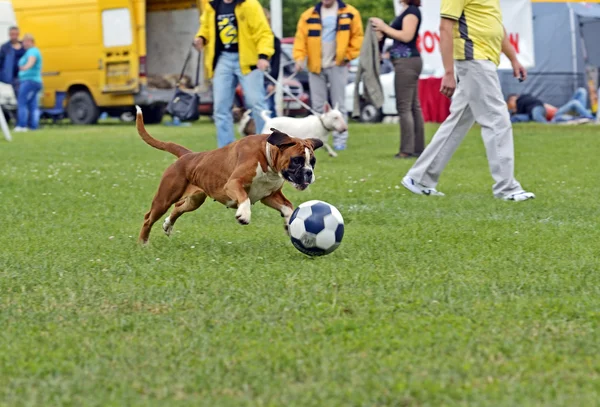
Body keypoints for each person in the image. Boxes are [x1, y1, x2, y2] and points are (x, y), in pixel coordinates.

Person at [401, 0, 535, 202]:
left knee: (458, 122)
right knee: (497, 120)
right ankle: (507, 189)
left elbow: (497, 27)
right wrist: (448, 72)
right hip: (474, 59)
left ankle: (419, 179)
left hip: (484, 60)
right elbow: (445, 28)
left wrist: (514, 58)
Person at [194, 0, 274, 148]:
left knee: (257, 104)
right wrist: (201, 38)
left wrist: (263, 55)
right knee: (220, 108)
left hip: (248, 59)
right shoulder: (212, 6)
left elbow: (263, 32)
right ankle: (226, 150)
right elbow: (205, 28)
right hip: (222, 59)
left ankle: (266, 146)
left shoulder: (249, 4)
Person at [293, 0, 364, 151]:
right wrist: (299, 59)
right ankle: (318, 141)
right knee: (318, 106)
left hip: (338, 64)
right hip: (315, 65)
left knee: (339, 104)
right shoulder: (308, 15)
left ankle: (340, 141)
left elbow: (357, 37)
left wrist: (347, 56)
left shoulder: (350, 13)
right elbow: (300, 40)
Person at [371, 0, 425, 159]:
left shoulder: (412, 12)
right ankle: (418, 148)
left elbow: (407, 36)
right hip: (406, 62)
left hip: (407, 62)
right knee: (413, 106)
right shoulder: (406, 10)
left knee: (404, 106)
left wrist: (384, 27)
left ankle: (406, 150)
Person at [507, 88, 595, 124]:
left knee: (581, 90)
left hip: (558, 110)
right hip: (556, 115)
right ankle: (592, 119)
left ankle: (584, 115)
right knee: (575, 103)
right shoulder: (523, 111)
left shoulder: (531, 102)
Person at [15, 34, 42, 132]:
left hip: (29, 81)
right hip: (34, 81)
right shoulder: (29, 51)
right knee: (33, 104)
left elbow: (32, 60)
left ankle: (22, 125)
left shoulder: (33, 51)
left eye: (27, 41)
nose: (25, 43)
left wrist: (25, 67)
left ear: (32, 42)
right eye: (24, 41)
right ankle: (34, 126)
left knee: (22, 102)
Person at [262, 7, 281, 118]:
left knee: (270, 106)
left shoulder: (274, 40)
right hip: (255, 78)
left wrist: (273, 82)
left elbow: (276, 63)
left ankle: (272, 133)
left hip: (268, 79)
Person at [0, 26, 26, 100]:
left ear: (18, 34)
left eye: (15, 34)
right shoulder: (5, 47)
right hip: (14, 76)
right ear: (9, 35)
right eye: (12, 34)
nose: (14, 36)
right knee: (20, 96)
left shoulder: (24, 46)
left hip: (26, 75)